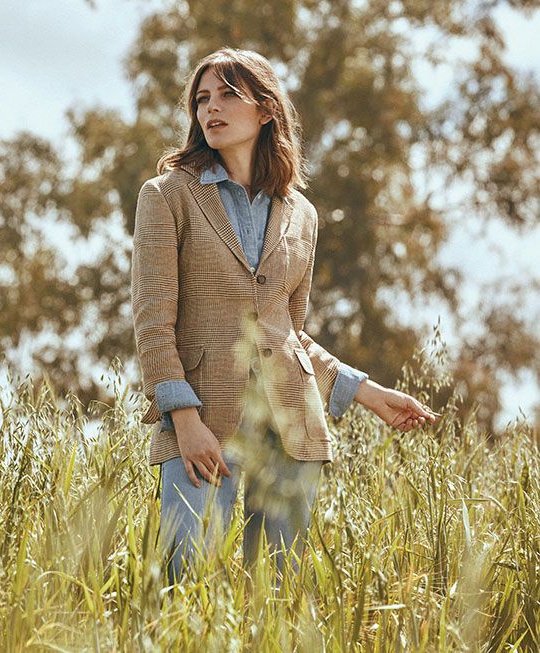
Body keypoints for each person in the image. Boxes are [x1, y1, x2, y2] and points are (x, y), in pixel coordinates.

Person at [129, 47, 440, 587]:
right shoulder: (166, 197)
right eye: (202, 99)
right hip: (203, 422)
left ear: (267, 109)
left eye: (228, 94)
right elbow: (153, 322)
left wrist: (366, 393)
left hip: (292, 424)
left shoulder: (303, 213)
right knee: (185, 585)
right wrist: (184, 421)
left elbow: (289, 334)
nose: (211, 109)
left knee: (276, 594)